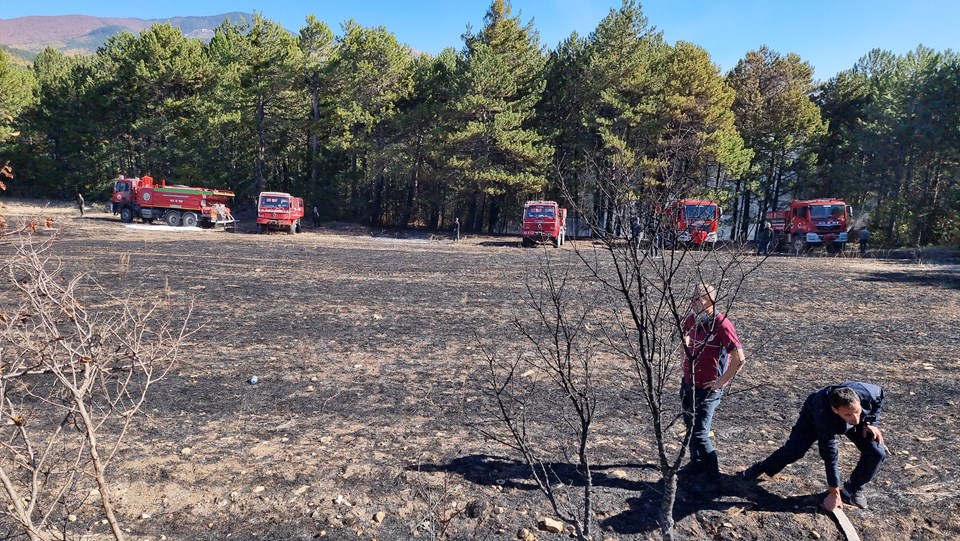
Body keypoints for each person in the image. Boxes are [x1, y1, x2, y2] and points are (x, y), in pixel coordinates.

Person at [740, 382, 885, 511]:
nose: (855, 419)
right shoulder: (824, 415)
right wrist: (833, 493)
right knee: (794, 451)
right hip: (812, 417)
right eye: (848, 415)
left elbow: (879, 397)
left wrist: (870, 423)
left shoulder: (868, 392)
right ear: (835, 409)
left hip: (847, 416)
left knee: (876, 451)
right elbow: (829, 454)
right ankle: (761, 468)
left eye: (857, 411)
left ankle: (852, 490)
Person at [679, 284, 747, 479]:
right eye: (692, 297)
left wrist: (719, 383)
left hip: (708, 390)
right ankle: (695, 464)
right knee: (690, 428)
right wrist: (684, 359)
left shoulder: (721, 324)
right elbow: (685, 338)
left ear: (710, 301)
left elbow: (739, 359)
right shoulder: (691, 320)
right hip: (688, 384)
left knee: (700, 434)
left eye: (697, 298)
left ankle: (713, 476)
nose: (692, 302)